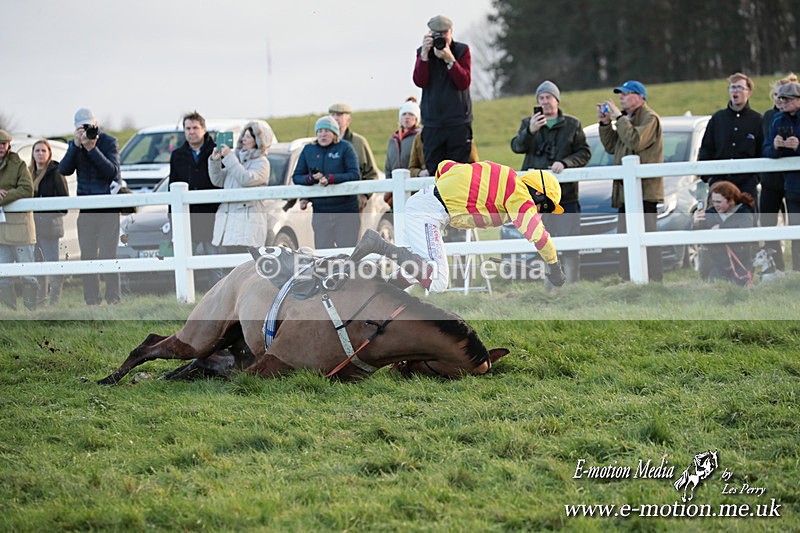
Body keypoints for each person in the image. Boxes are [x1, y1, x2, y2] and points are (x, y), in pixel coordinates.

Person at [349, 160, 566, 293]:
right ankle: (379, 245)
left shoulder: (505, 175)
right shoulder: (520, 194)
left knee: (419, 270)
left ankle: (383, 292)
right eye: (544, 205)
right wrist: (554, 267)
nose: (539, 211)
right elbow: (539, 236)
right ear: (537, 192)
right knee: (439, 281)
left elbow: (446, 166)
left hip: (424, 204)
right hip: (429, 212)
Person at [511, 80, 591, 287]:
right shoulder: (529, 123)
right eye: (541, 98)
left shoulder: (572, 124)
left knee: (570, 242)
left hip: (566, 195)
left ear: (557, 99)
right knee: (544, 240)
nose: (545, 102)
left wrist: (565, 163)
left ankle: (572, 285)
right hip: (537, 196)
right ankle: (550, 287)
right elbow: (517, 147)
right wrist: (530, 131)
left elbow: (584, 152)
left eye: (548, 97)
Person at [598, 80, 664, 282]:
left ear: (640, 96)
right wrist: (605, 123)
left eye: (625, 94)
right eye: (620, 95)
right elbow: (611, 147)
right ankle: (627, 281)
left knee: (647, 238)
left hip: (644, 192)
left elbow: (636, 141)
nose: (621, 98)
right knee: (625, 239)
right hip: (625, 192)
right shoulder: (626, 119)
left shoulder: (650, 118)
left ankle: (653, 281)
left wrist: (618, 118)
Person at [58, 108, 122, 305]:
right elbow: (63, 170)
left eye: (89, 126)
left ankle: (113, 298)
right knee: (87, 255)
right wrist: (76, 146)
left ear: (96, 124)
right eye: (82, 127)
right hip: (85, 209)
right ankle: (91, 300)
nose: (86, 130)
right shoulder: (74, 145)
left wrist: (92, 149)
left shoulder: (108, 142)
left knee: (108, 254)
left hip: (108, 208)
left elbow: (111, 172)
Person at [169, 111, 223, 289]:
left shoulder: (216, 150)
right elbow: (173, 185)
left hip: (212, 215)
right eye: (187, 128)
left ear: (204, 129)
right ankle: (187, 295)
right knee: (184, 259)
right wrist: (172, 217)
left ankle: (217, 297)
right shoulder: (177, 155)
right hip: (187, 216)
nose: (191, 132)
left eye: (195, 128)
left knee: (214, 262)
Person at [413, 15, 473, 175]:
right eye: (436, 34)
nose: (441, 37)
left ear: (451, 32)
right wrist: (424, 56)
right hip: (433, 123)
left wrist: (450, 60)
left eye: (444, 33)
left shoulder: (461, 51)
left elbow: (464, 82)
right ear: (430, 34)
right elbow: (420, 81)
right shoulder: (423, 52)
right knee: (434, 172)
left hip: (458, 122)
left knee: (459, 173)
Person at [292, 116, 360, 249]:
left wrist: (331, 179)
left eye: (327, 131)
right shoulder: (308, 150)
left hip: (345, 210)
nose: (323, 134)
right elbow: (297, 177)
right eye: (320, 131)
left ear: (335, 133)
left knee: (348, 253)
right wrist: (311, 179)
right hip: (320, 211)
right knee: (323, 254)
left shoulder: (345, 148)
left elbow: (354, 174)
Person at [208, 121, 273, 255]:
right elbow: (218, 180)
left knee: (245, 269)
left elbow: (246, 179)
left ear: (258, 141)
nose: (243, 139)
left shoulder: (262, 162)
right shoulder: (234, 161)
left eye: (248, 137)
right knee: (230, 270)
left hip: (247, 225)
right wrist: (215, 161)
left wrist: (229, 157)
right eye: (244, 135)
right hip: (228, 225)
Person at [698, 73, 763, 200]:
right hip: (719, 183)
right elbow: (706, 149)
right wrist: (709, 178)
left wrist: (755, 178)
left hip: (747, 185)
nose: (735, 91)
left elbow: (762, 151)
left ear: (748, 92)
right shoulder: (717, 118)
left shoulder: (757, 120)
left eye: (739, 87)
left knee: (746, 219)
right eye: (732, 87)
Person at [760, 73, 797, 271]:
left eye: (784, 97)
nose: (779, 100)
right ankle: (776, 267)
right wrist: (775, 147)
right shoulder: (770, 117)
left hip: (793, 181)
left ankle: (797, 269)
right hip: (772, 181)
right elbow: (765, 147)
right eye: (777, 95)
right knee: (767, 223)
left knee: (796, 224)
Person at [0, 130, 38, 310]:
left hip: (21, 228)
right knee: (3, 274)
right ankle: (10, 311)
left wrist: (4, 196)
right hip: (1, 230)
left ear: (8, 145)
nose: (1, 147)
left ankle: (31, 311)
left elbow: (26, 189)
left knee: (28, 274)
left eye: (3, 144)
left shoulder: (19, 164)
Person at [692, 181, 756, 285]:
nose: (715, 205)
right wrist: (696, 223)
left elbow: (744, 228)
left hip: (741, 262)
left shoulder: (745, 211)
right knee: (714, 287)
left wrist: (721, 228)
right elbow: (697, 233)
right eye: (713, 202)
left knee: (738, 288)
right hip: (718, 263)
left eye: (719, 202)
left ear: (731, 201)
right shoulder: (711, 212)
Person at [30, 139, 69, 305]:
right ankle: (40, 301)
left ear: (49, 153)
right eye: (37, 151)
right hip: (33, 228)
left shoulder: (56, 172)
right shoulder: (29, 174)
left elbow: (64, 203)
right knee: (38, 266)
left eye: (43, 151)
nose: (40, 154)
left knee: (53, 266)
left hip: (51, 228)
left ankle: (54, 301)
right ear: (33, 154)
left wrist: (47, 213)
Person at [329, 103, 378, 211]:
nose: (336, 118)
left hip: (353, 205)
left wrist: (365, 195)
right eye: (333, 115)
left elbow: (372, 173)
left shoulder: (359, 142)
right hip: (327, 205)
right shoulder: (321, 143)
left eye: (340, 115)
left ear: (348, 120)